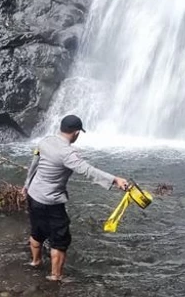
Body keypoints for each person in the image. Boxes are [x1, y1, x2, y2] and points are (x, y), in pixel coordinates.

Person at [22, 115, 129, 282]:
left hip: (34, 195)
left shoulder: (45, 141)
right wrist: (115, 180)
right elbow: (87, 170)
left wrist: (26, 185)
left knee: (37, 230)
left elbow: (34, 163)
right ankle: (55, 277)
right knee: (60, 240)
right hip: (51, 201)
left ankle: (35, 262)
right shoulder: (68, 153)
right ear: (77, 133)